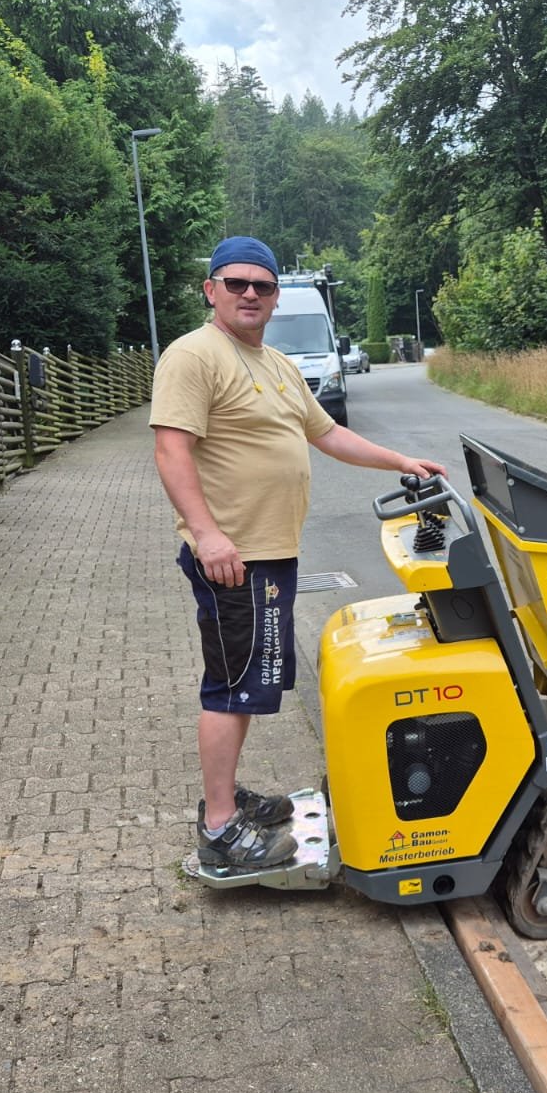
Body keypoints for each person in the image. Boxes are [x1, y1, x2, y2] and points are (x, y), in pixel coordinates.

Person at [150, 236, 446, 872]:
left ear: (276, 295)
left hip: (270, 556)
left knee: (253, 684)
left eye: (262, 285)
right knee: (229, 688)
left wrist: (400, 461)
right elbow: (172, 450)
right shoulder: (194, 355)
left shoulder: (277, 364)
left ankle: (225, 800)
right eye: (236, 283)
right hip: (232, 556)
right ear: (211, 290)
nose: (250, 293)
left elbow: (328, 433)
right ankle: (221, 830)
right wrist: (207, 534)